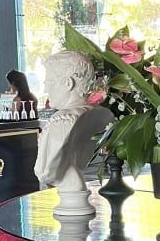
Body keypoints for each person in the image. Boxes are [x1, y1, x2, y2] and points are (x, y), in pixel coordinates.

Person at [34, 51, 114, 206]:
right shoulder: (102, 114)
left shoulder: (61, 122)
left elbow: (45, 173)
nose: (45, 90)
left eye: (49, 82)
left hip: (71, 192)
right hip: (74, 191)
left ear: (67, 83)